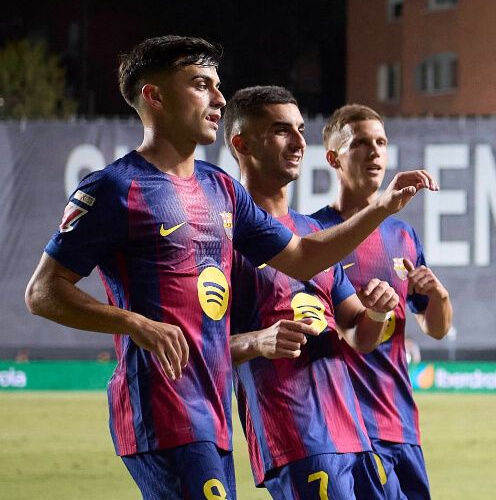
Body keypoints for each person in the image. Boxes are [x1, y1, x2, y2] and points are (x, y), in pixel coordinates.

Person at [24, 36, 436, 499]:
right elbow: (43, 291)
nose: (219, 98)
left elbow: (303, 257)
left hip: (214, 414)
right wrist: (135, 323)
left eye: (218, 86)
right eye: (202, 85)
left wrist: (381, 208)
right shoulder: (116, 188)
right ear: (154, 96)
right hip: (161, 408)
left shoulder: (220, 189)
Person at [222, 85, 403, 499]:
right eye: (280, 130)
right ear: (242, 144)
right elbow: (195, 344)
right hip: (294, 435)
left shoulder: (313, 233)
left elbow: (359, 335)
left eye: (300, 129)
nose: (299, 141)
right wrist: (256, 341)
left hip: (353, 432)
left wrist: (377, 312)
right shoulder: (225, 238)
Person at [311, 104, 453, 500]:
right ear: (333, 158)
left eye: (381, 142)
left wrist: (438, 296)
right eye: (360, 142)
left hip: (401, 420)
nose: (374, 151)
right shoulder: (314, 235)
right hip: (349, 422)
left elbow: (436, 328)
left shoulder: (402, 235)